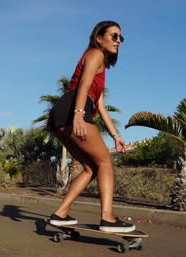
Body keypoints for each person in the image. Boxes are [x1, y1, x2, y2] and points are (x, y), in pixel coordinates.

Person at [46, 21, 135, 233]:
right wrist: (78, 116)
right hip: (73, 109)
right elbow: (84, 85)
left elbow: (101, 106)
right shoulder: (95, 53)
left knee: (90, 168)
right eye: (113, 36)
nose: (118, 41)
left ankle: (60, 213)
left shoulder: (101, 65)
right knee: (105, 162)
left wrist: (116, 135)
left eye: (120, 37)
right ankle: (108, 218)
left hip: (60, 115)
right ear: (98, 38)